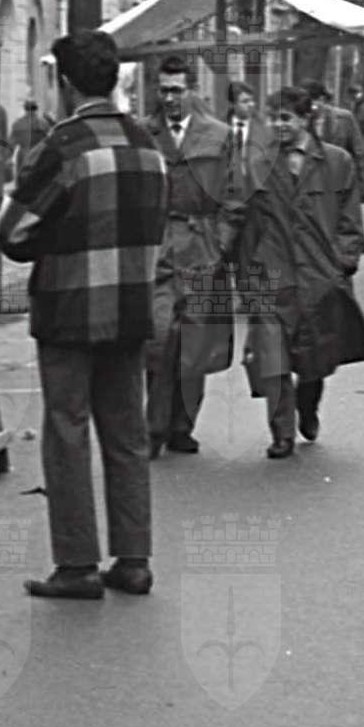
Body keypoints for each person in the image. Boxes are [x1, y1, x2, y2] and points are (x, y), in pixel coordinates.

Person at [0, 30, 167, 601]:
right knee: (127, 433)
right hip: (131, 305)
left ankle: (76, 564)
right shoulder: (146, 142)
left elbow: (13, 232)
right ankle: (134, 559)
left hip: (69, 306)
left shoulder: (63, 146)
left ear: (65, 84)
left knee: (67, 431)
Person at [235, 85, 364, 458]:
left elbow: (349, 220)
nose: (278, 125)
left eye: (286, 118)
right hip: (271, 271)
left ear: (305, 118)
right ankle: (281, 432)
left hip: (319, 274)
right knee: (272, 355)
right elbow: (246, 223)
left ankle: (307, 404)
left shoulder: (337, 162)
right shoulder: (258, 164)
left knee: (316, 354)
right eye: (273, 118)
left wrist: (342, 264)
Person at [144, 55, 236, 458]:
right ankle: (153, 428)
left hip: (202, 243)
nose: (169, 98)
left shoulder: (218, 135)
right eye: (163, 90)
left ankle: (183, 425)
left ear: (193, 90)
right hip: (157, 244)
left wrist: (221, 242)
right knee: (158, 336)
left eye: (177, 90)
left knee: (195, 341)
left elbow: (235, 194)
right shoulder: (142, 134)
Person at [305, 80, 364, 204]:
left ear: (322, 99)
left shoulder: (343, 118)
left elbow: (360, 153)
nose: (311, 107)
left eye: (313, 102)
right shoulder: (301, 120)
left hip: (339, 184)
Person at [11, 98, 51, 167]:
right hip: (37, 156)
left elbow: (12, 142)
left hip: (27, 155)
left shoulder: (18, 123)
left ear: (24, 108)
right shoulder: (43, 123)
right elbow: (49, 141)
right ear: (36, 109)